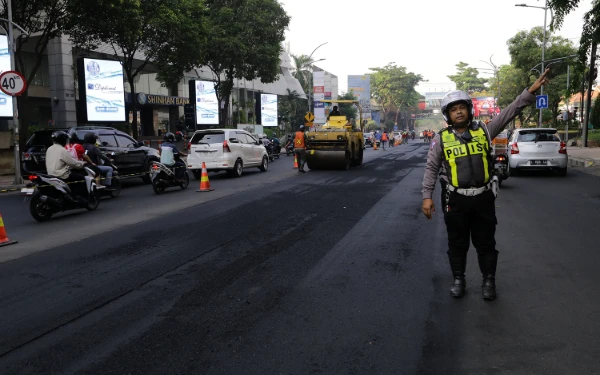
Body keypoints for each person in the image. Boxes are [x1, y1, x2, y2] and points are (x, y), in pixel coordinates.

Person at [421, 68, 550, 301]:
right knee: (457, 242)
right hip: (455, 200)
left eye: (462, 107)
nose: (458, 112)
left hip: (482, 199)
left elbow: (511, 112)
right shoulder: (440, 139)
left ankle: (488, 281)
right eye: (453, 109)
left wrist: (530, 91)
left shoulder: (484, 130)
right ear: (447, 115)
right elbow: (431, 168)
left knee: (486, 243)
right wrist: (427, 197)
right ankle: (459, 279)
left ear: (469, 110)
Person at [45, 131, 87, 199]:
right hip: (61, 174)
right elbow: (73, 163)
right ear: (62, 140)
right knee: (81, 178)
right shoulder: (63, 150)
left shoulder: (49, 149)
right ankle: (78, 197)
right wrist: (82, 163)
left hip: (50, 174)